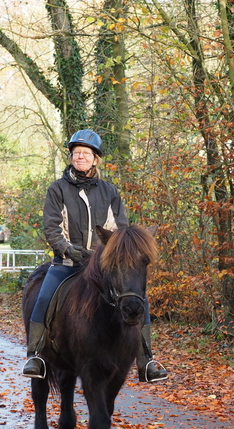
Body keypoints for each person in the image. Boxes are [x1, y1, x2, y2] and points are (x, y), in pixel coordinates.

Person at [22, 129, 168, 383]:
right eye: (76, 153)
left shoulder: (110, 192)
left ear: (95, 159)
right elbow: (52, 227)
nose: (81, 157)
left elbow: (120, 230)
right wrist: (68, 249)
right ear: (71, 157)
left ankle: (146, 360)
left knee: (137, 296)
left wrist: (108, 254)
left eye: (86, 154)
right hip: (68, 261)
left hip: (103, 265)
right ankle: (36, 355)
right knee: (44, 296)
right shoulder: (57, 189)